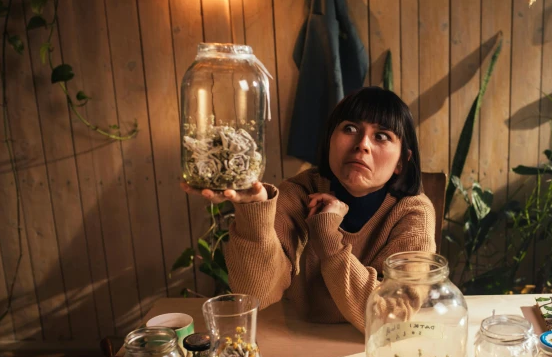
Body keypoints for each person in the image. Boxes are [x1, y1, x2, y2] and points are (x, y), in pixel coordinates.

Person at [181, 87, 436, 333]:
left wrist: (327, 237)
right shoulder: (298, 192)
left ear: (401, 162)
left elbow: (392, 315)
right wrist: (253, 209)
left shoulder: (413, 213)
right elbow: (257, 294)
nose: (362, 145)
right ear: (329, 141)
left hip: (369, 349)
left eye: (381, 136)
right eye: (350, 128)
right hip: (295, 333)